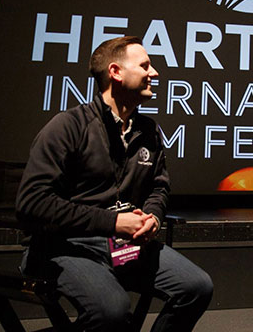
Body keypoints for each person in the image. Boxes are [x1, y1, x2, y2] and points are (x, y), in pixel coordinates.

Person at [16, 36, 213, 332]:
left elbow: (159, 188)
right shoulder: (68, 126)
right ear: (116, 72)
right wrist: (113, 222)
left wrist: (153, 219)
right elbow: (32, 203)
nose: (155, 73)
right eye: (145, 65)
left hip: (123, 245)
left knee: (197, 287)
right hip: (63, 245)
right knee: (112, 311)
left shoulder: (148, 130)